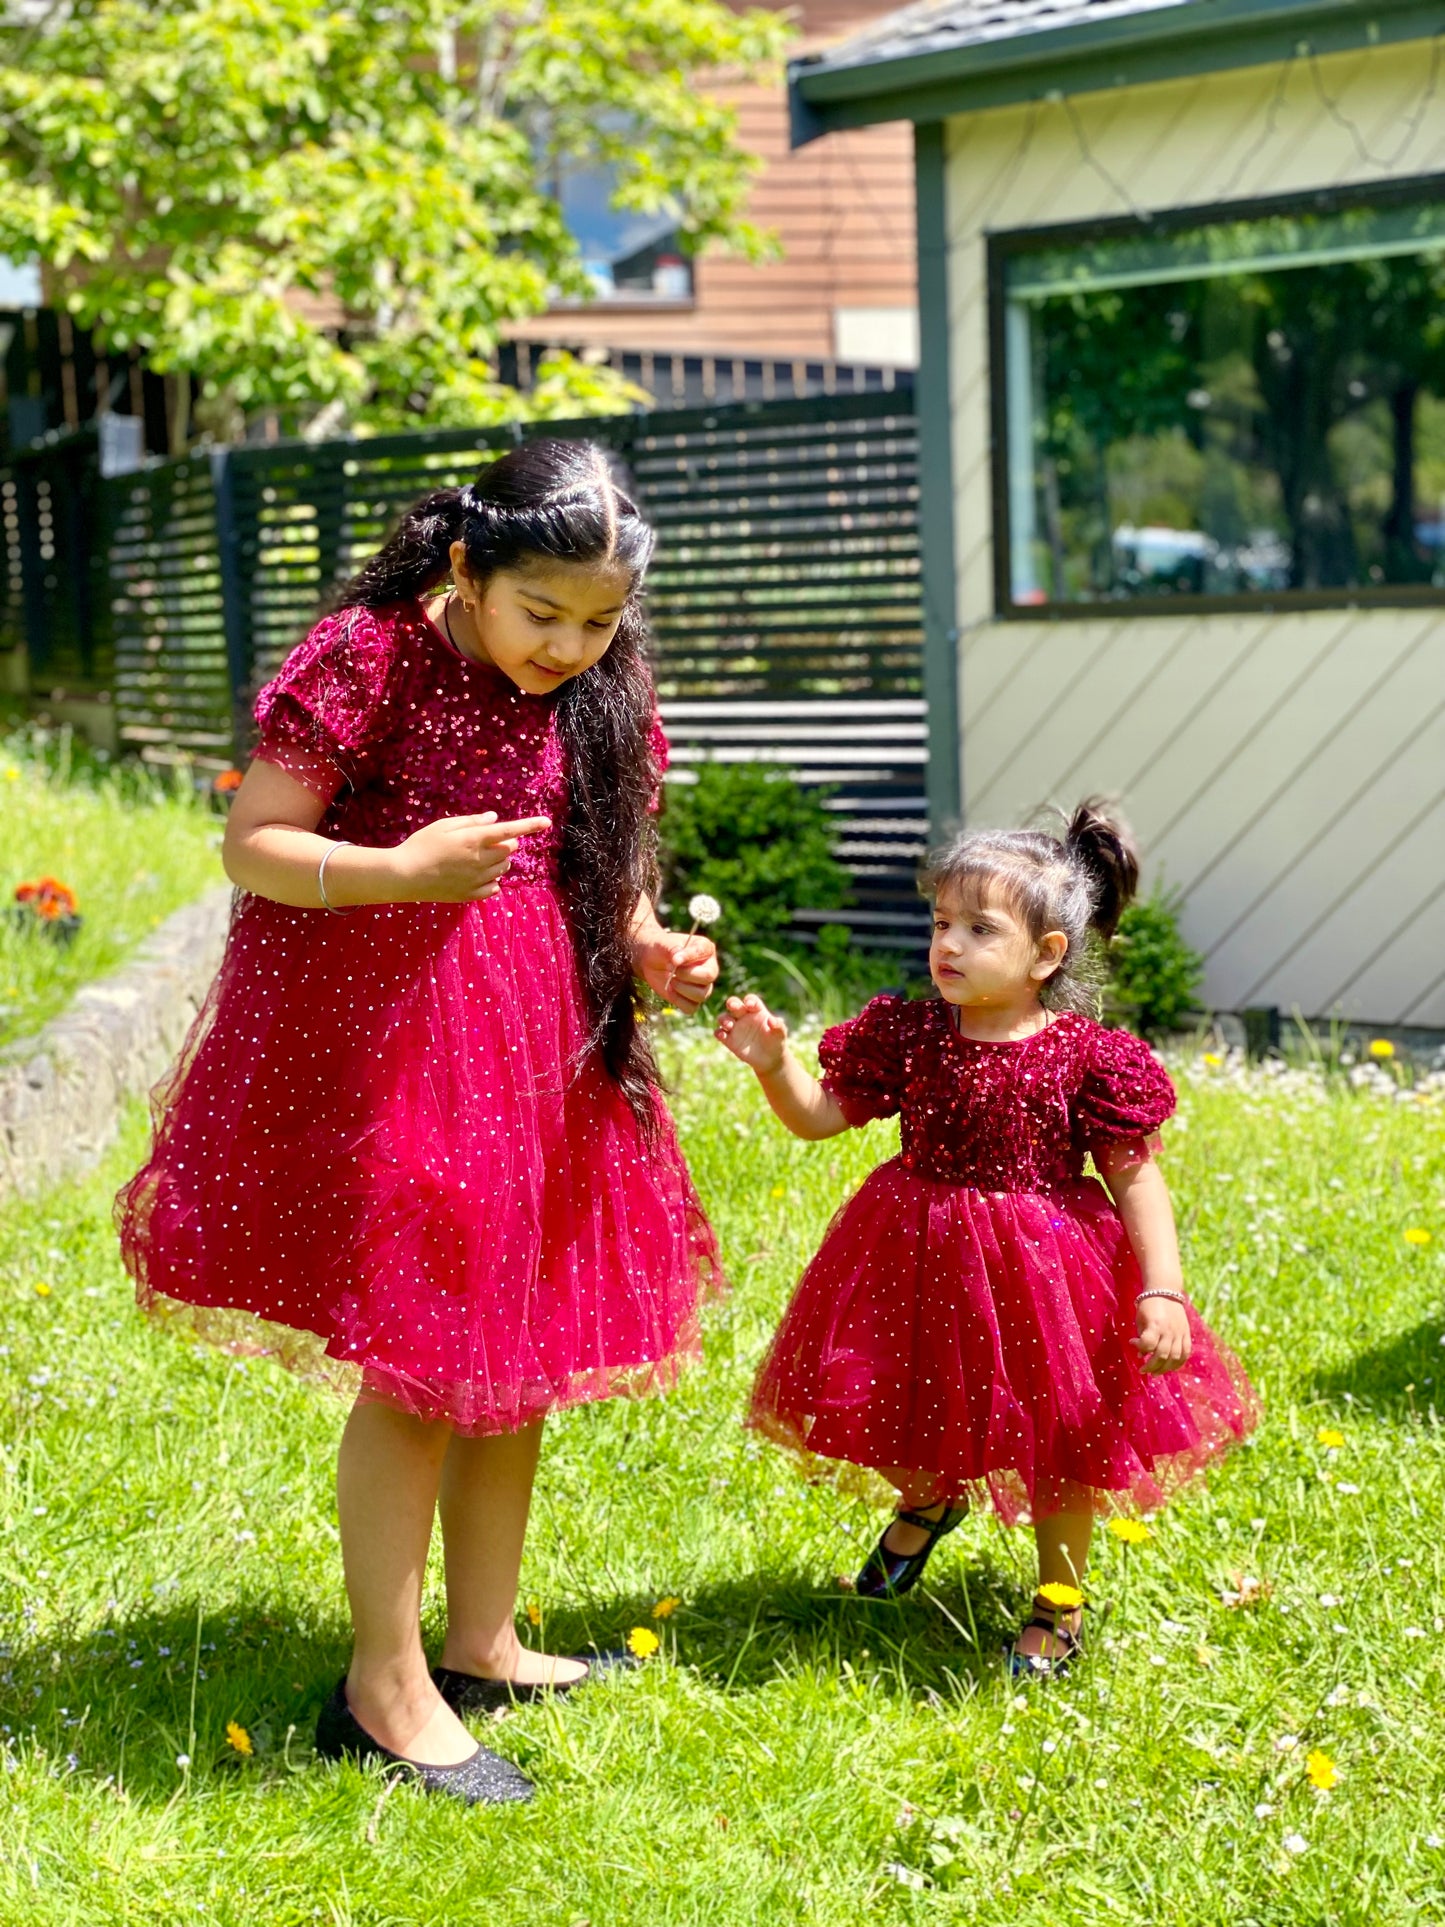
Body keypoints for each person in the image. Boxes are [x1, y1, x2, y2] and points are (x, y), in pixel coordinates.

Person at [116, 440, 722, 1801]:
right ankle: (381, 1685)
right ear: (465, 566)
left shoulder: (593, 680)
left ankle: (481, 1633)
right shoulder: (368, 655)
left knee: (515, 1332)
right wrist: (401, 867)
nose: (572, 644)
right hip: (391, 1030)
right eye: (543, 613)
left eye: (600, 619)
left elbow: (591, 851)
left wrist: (642, 942)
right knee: (423, 1349)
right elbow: (257, 837)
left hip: (533, 1034)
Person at [715, 803, 1255, 1676]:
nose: (948, 945)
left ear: (1047, 955)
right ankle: (928, 1501)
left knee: (1059, 1437)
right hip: (916, 1251)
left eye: (978, 928)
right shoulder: (913, 1033)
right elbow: (819, 1119)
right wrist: (773, 1064)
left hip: (1043, 1267)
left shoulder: (1088, 1056)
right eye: (940, 923)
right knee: (908, 1392)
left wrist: (1161, 1287)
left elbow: (1135, 1179)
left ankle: (1059, 1599)